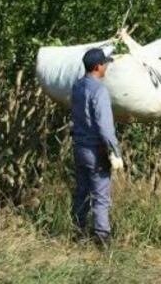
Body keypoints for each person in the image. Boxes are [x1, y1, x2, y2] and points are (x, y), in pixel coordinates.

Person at [71, 47, 124, 245]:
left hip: (79, 146)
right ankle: (102, 238)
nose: (106, 67)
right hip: (96, 150)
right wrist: (114, 151)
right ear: (97, 67)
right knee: (101, 195)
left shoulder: (77, 86)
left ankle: (78, 232)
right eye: (104, 64)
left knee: (82, 191)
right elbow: (104, 126)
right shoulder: (99, 90)